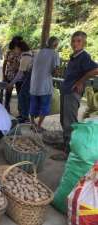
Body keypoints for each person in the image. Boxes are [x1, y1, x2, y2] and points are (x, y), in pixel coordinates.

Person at [52, 31, 98, 161]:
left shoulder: (84, 56)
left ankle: (69, 152)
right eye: (73, 41)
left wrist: (81, 81)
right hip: (66, 92)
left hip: (73, 93)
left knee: (70, 123)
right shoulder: (74, 56)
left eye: (78, 41)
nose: (75, 43)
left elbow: (95, 69)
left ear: (84, 43)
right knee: (63, 120)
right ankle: (66, 144)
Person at [30, 37, 60, 131]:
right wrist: (57, 72)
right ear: (55, 45)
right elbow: (55, 71)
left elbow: (32, 67)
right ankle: (38, 126)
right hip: (45, 85)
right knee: (44, 107)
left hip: (34, 84)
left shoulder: (38, 52)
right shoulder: (54, 54)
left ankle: (32, 124)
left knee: (33, 106)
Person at [7, 41, 33, 123]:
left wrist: (11, 84)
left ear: (19, 48)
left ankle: (24, 117)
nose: (15, 51)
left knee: (23, 96)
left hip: (30, 77)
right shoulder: (27, 54)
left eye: (15, 49)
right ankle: (23, 115)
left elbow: (20, 74)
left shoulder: (25, 57)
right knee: (24, 96)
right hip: (30, 77)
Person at [2, 36, 23, 112]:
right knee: (8, 94)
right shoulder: (8, 52)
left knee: (20, 94)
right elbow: (4, 63)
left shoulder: (22, 52)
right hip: (9, 76)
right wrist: (4, 75)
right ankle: (6, 110)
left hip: (19, 77)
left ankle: (20, 111)